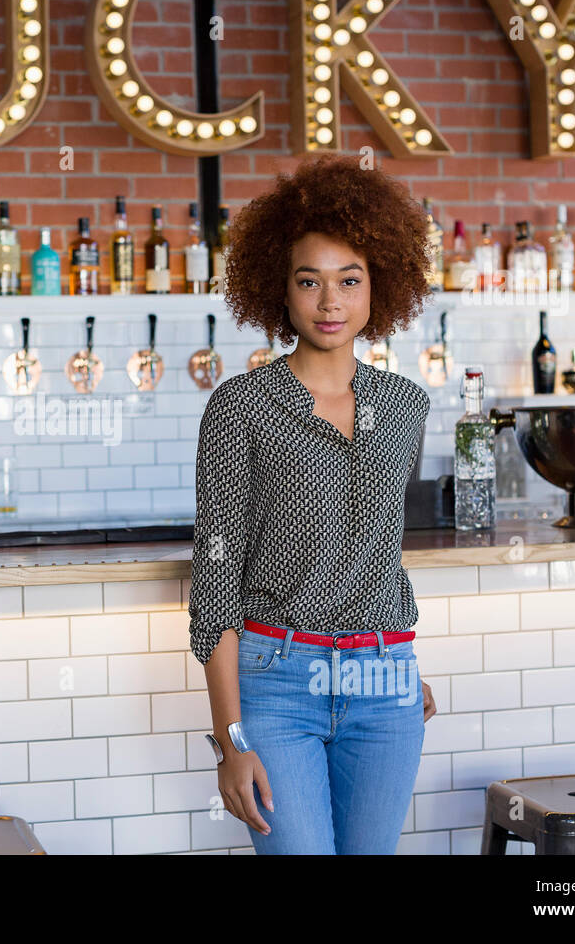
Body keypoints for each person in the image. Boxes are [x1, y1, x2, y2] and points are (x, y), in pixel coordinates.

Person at [190, 155, 438, 854]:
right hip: (276, 687)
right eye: (310, 281)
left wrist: (402, 667)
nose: (330, 302)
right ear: (281, 289)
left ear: (377, 286)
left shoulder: (406, 406)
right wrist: (230, 740)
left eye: (349, 280)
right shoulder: (239, 408)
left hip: (386, 685)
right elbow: (214, 581)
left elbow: (377, 553)